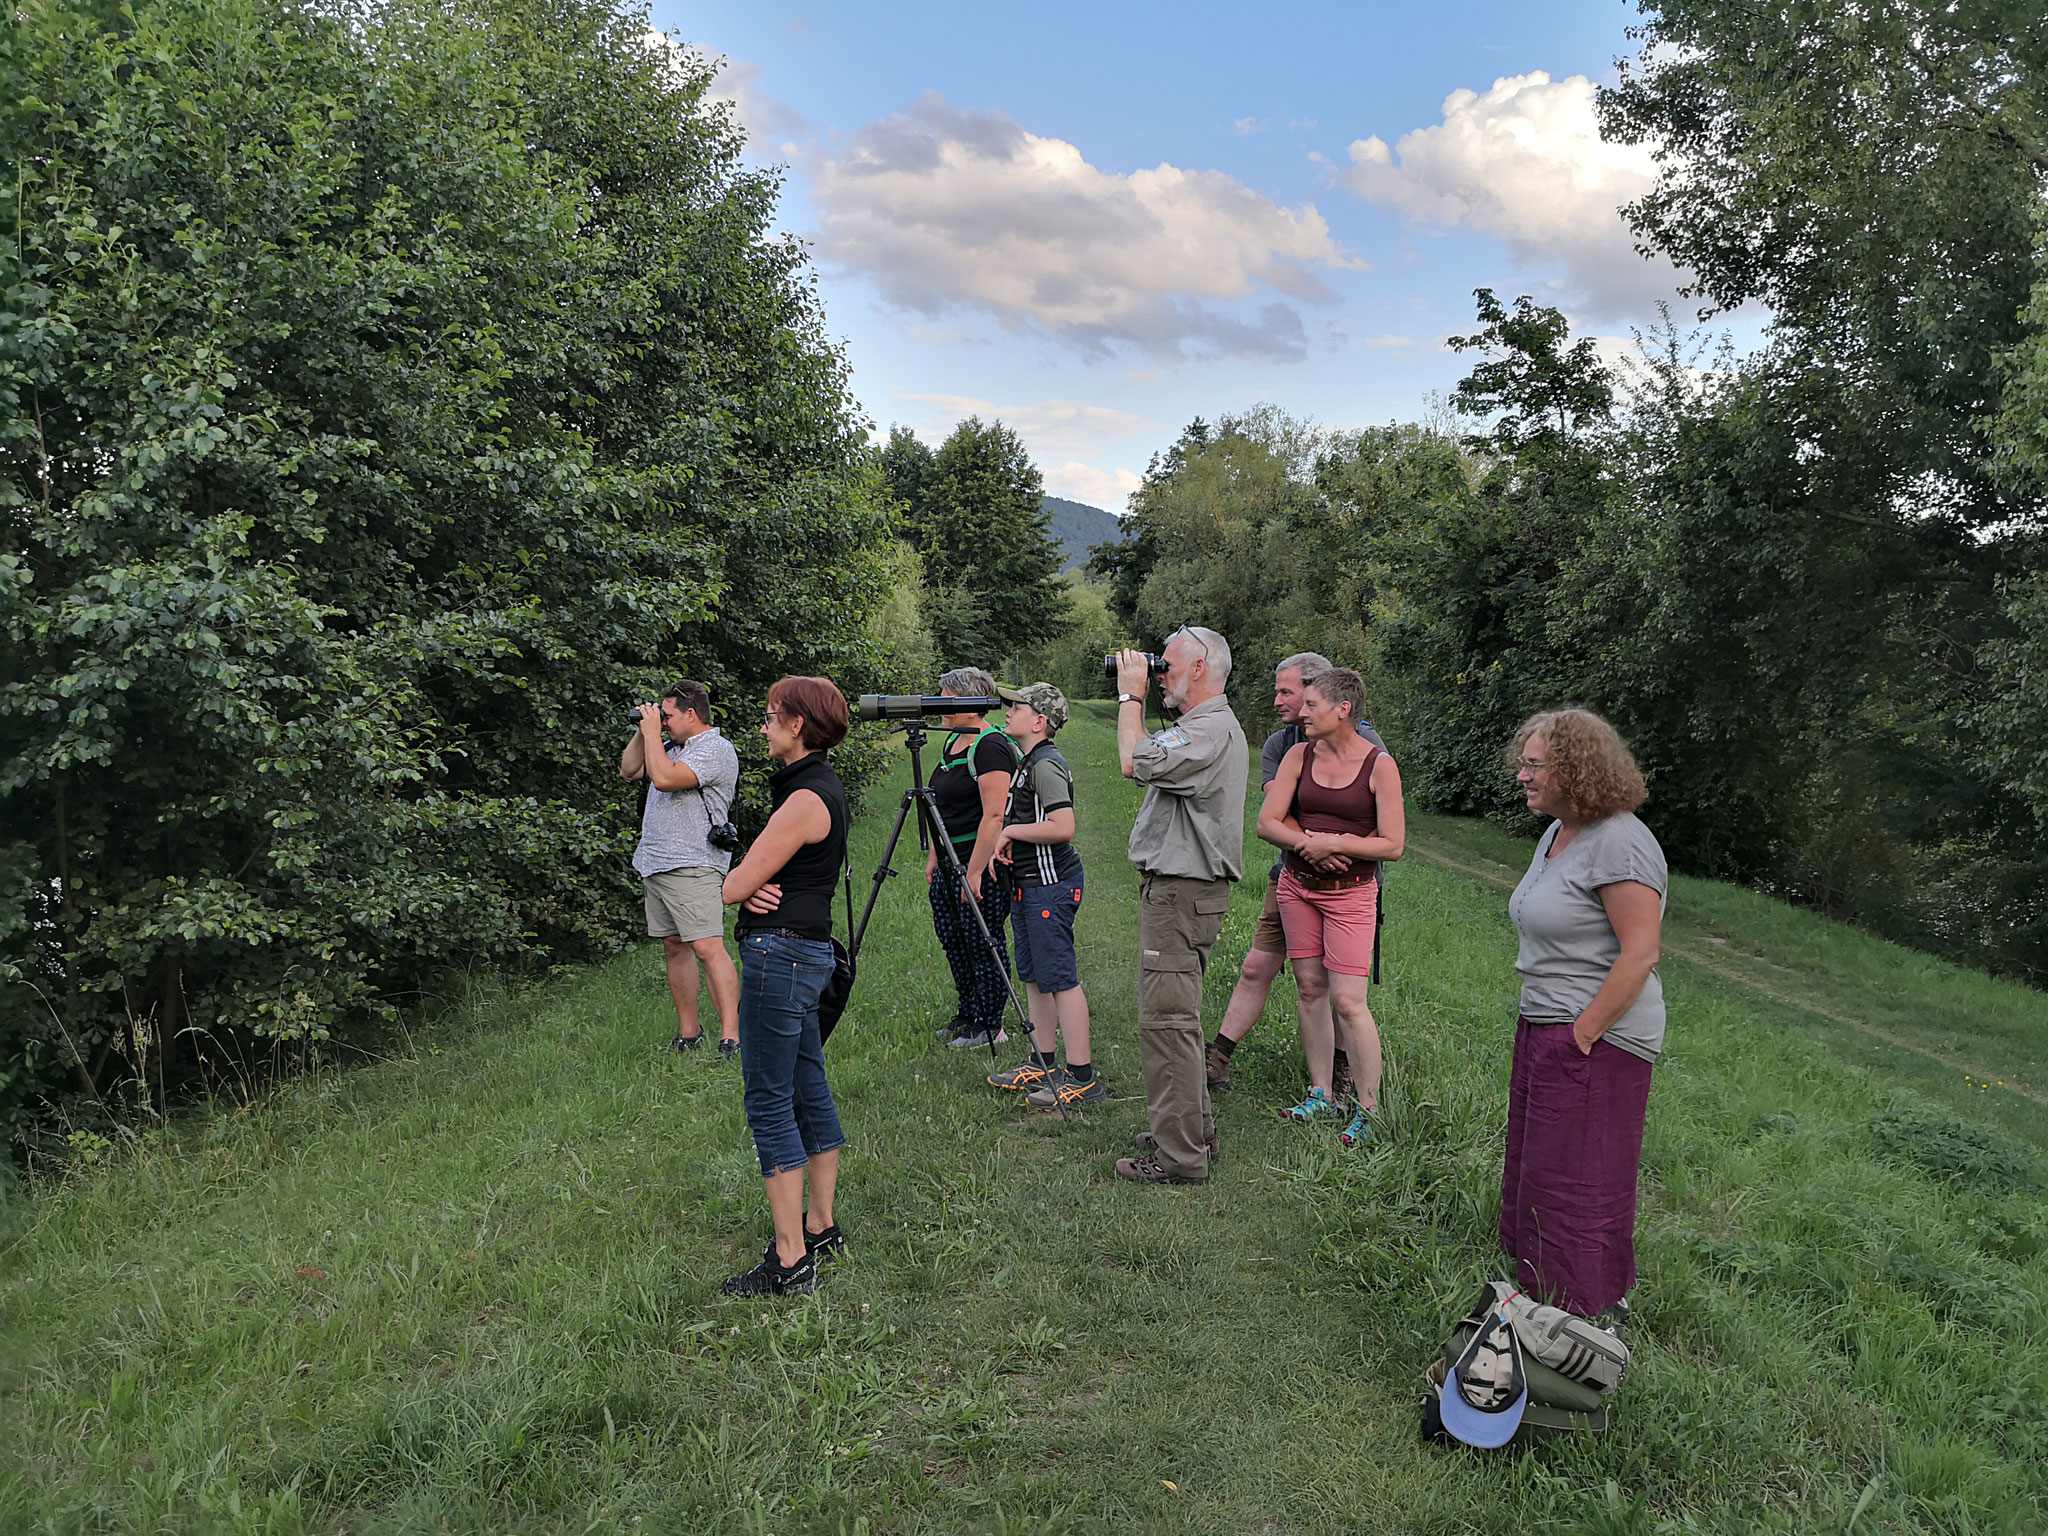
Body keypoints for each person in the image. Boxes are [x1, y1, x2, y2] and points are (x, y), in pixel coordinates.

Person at [1501, 708, 1666, 1329]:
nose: (1522, 775)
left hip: (1600, 1038)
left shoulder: (1621, 841)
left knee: (1581, 1180)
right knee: (1541, 1167)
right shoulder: (1558, 832)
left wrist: (1582, 1037)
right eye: (1524, 763)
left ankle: (1586, 1312)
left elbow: (1641, 952)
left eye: (1534, 765)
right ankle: (1540, 1290)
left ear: (1576, 768)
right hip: (1549, 1025)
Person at [716, 677, 854, 1297]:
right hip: (808, 952)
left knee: (769, 1101)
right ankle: (819, 1224)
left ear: (799, 725)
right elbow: (761, 877)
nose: (764, 726)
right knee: (808, 1083)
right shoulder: (823, 788)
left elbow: (732, 887)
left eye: (772, 717)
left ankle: (790, 1258)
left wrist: (744, 881)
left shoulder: (802, 798)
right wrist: (754, 880)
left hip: (781, 956)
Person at [1206, 653, 1388, 1100]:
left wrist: (1334, 847)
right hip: (1290, 876)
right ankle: (1222, 1058)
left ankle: (1349, 1081)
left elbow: (1383, 827)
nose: (1281, 701)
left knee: (1345, 992)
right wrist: (1314, 847)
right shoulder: (1280, 747)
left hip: (1354, 881)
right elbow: (1277, 814)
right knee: (1270, 969)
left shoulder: (1369, 748)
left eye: (1288, 692)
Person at [1112, 627, 1248, 1185]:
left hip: (1181, 892)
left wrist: (1129, 696)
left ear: (1199, 668)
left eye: (1165, 664)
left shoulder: (1210, 728)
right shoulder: (1201, 728)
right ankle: (1191, 1133)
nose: (1158, 672)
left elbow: (1130, 758)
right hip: (1181, 891)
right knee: (1181, 1022)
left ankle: (1179, 1158)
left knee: (1166, 1024)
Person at [1258, 667, 1404, 1148]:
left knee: (1349, 1001)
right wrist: (1310, 845)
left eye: (1312, 705)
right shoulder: (1298, 754)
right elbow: (1267, 822)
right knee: (1308, 988)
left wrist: (1337, 843)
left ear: (1343, 710)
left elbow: (1393, 844)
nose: (1301, 712)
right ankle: (1320, 1093)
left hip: (1351, 895)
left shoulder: (1379, 765)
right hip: (1297, 887)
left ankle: (1368, 1109)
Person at [983, 682, 1101, 1110]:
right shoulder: (1027, 760)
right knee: (1033, 974)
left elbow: (1062, 827)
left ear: (1039, 721)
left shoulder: (1046, 765)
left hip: (1051, 886)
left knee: (1060, 978)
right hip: (1028, 885)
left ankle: (1082, 1076)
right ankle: (1043, 1061)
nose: (1008, 710)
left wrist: (1011, 831)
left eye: (1017, 706)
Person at [621, 679, 742, 1058]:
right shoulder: (669, 745)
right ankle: (690, 1032)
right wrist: (647, 731)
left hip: (693, 862)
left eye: (668, 714)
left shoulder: (715, 749)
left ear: (692, 714)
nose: (664, 721)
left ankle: (732, 1037)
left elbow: (665, 778)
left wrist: (653, 734)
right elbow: (629, 770)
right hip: (656, 862)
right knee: (674, 946)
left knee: (707, 947)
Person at [924, 666, 1021, 1050]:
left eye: (947, 698)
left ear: (970, 701)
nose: (940, 705)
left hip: (981, 862)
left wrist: (976, 871)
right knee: (954, 938)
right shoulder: (952, 741)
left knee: (984, 941)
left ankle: (991, 1023)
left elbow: (995, 815)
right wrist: (935, 854)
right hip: (949, 858)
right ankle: (968, 1013)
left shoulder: (990, 746)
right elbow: (940, 805)